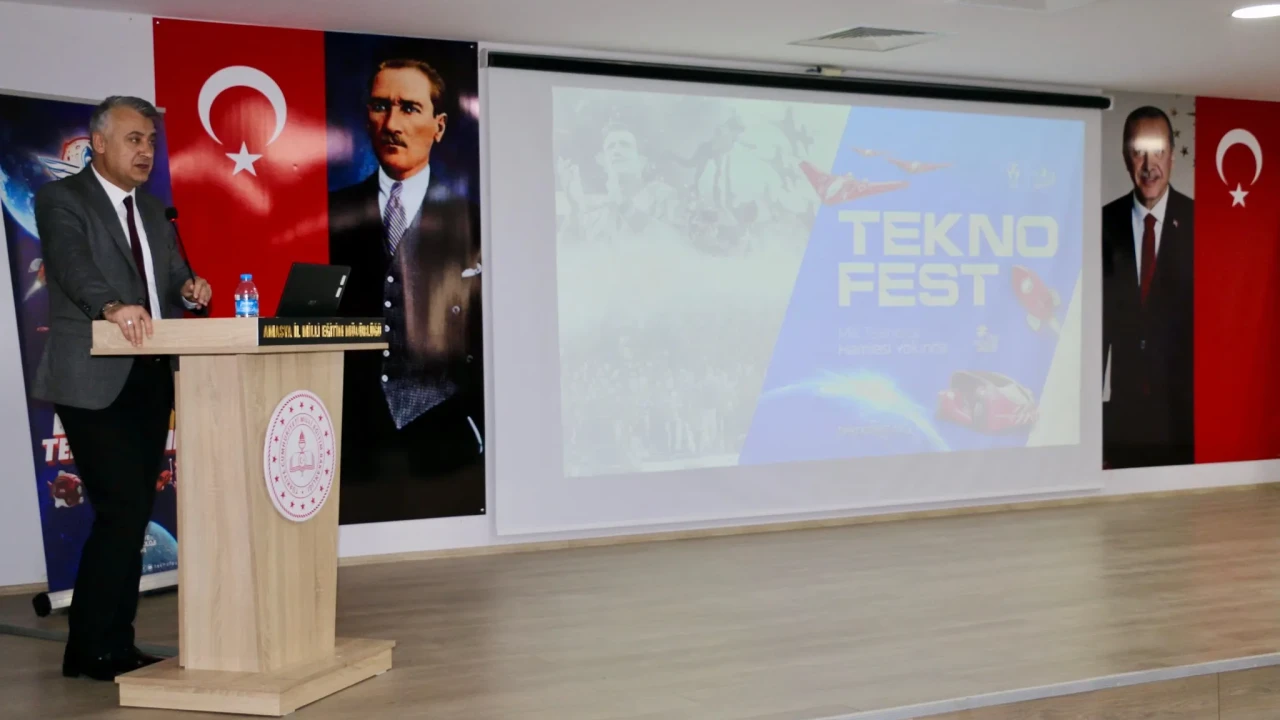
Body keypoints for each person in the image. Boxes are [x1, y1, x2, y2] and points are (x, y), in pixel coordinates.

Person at [32, 95, 212, 680]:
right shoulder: (63, 199)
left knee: (131, 516)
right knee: (122, 509)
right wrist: (111, 306)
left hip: (150, 375)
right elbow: (71, 266)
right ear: (99, 143)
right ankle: (89, 648)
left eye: (152, 141)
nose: (146, 151)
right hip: (91, 376)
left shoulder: (154, 211)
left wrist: (191, 289)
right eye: (135, 139)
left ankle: (114, 643)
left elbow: (174, 276)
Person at [328, 59, 483, 500]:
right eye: (381, 106)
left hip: (446, 436)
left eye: (409, 108)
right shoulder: (330, 213)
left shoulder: (474, 220)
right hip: (355, 440)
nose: (392, 124)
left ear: (439, 125)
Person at [1101, 106, 1194, 469]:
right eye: (1139, 152)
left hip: (1184, 420)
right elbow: (1094, 330)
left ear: (1172, 156)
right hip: (1122, 421)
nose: (1148, 165)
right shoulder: (1103, 223)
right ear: (1126, 157)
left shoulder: (1199, 221)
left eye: (1158, 152)